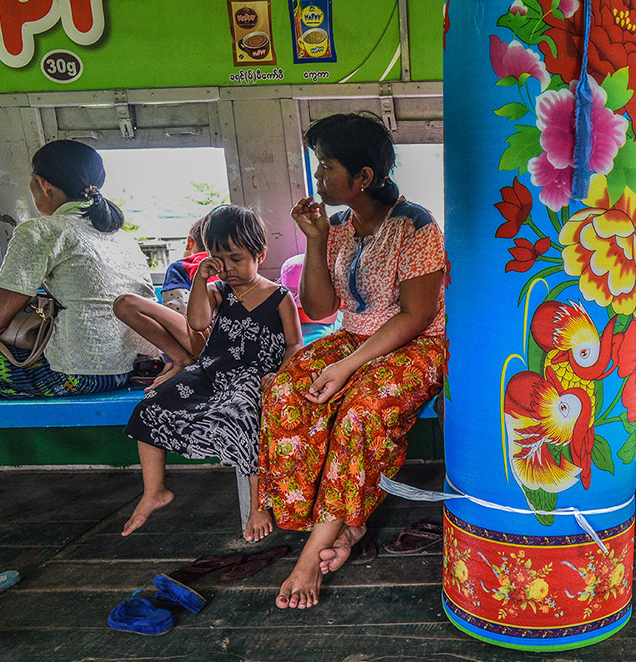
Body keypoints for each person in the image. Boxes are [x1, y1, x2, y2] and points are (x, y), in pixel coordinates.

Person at [257, 112, 445, 610]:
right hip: (354, 338)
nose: (318, 178)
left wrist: (348, 366)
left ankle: (312, 554)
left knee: (360, 409)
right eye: (318, 166)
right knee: (284, 391)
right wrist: (316, 242)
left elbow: (417, 316)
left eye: (327, 167)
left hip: (415, 345)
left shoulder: (416, 225)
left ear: (364, 177)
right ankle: (347, 523)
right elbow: (319, 310)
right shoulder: (338, 227)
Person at [120, 205, 302, 543]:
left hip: (254, 376)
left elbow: (294, 344)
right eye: (220, 260)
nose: (229, 268)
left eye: (236, 258)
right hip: (212, 371)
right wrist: (202, 281)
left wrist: (281, 374)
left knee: (245, 415)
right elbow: (199, 323)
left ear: (259, 255)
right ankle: (154, 490)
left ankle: (258, 503)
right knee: (151, 403)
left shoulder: (279, 296)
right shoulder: (218, 292)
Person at [0, 140, 156, 398]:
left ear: (43, 184)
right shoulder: (121, 237)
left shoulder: (42, 230)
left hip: (74, 375)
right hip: (129, 368)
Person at [113, 215, 217, 389]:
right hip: (229, 346)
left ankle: (180, 361)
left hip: (202, 342)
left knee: (126, 304)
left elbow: (178, 309)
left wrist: (169, 359)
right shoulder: (232, 266)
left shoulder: (181, 266)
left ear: (190, 242)